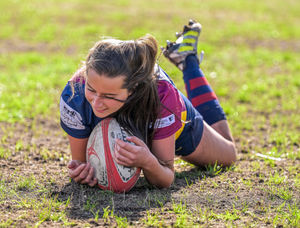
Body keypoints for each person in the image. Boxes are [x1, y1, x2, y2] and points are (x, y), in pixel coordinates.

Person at [60, 20, 237, 189]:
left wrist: (148, 161)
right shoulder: (74, 95)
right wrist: (82, 172)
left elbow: (166, 178)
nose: (97, 102)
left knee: (228, 156)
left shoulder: (162, 98)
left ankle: (188, 61)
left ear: (133, 88)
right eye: (91, 90)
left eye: (109, 95)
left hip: (168, 120)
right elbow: (82, 164)